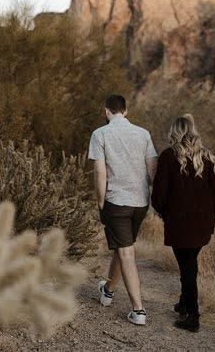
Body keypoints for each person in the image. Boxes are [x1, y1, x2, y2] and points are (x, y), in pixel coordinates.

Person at [88, 94, 158, 326]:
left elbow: (100, 173)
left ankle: (138, 311)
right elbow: (152, 170)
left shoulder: (100, 134)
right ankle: (107, 291)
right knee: (123, 246)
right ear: (126, 111)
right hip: (140, 203)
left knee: (126, 252)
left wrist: (100, 201)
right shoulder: (143, 134)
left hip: (116, 201)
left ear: (106, 111)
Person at [151, 114, 215, 333]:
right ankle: (183, 303)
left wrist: (165, 214)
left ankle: (193, 317)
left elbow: (158, 195)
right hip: (203, 221)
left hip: (180, 222)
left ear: (175, 131)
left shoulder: (168, 156)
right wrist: (212, 218)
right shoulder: (206, 156)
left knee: (187, 266)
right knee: (189, 263)